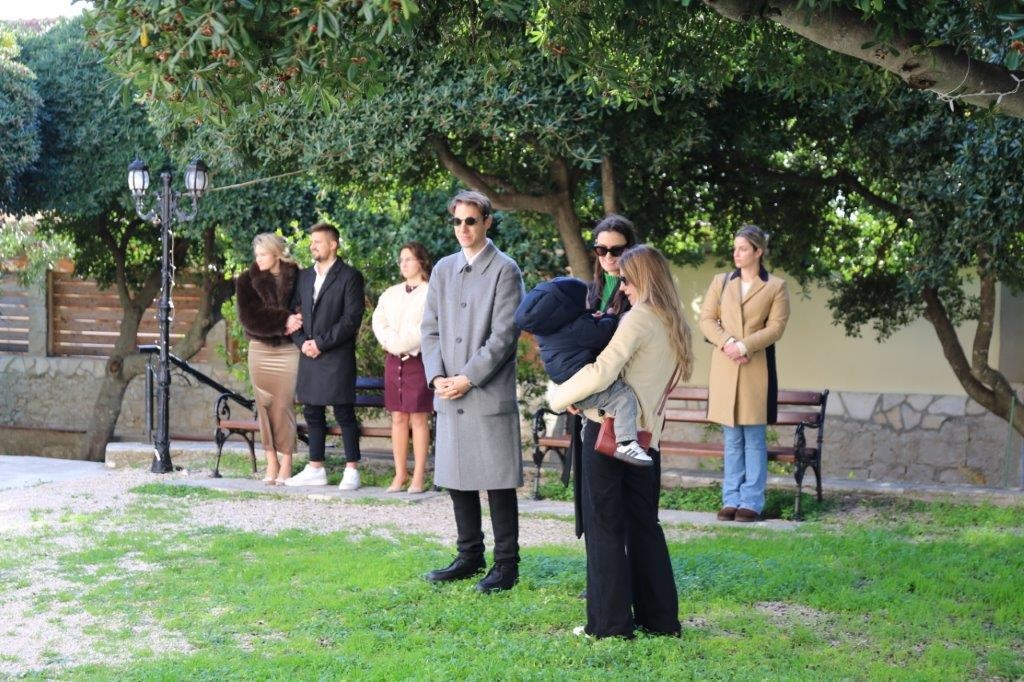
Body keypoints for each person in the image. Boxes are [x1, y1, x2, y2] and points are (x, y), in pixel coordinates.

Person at [549, 244, 694, 639]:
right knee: (644, 525)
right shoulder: (674, 321)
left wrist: (560, 398)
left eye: (627, 279)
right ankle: (660, 620)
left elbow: (602, 371)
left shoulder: (638, 318)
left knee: (604, 526)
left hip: (607, 433)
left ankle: (609, 625)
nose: (622, 287)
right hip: (647, 438)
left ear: (643, 278)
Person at [420, 189, 525, 594]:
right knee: (457, 475)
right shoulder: (443, 269)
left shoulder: (505, 269)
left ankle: (506, 565)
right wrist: (436, 378)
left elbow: (504, 335)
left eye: (470, 221)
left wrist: (467, 377)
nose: (463, 228)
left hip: (485, 390)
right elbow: (429, 329)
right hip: (448, 389)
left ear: (487, 222)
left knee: (498, 480)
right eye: (457, 221)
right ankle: (469, 555)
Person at [699, 225, 790, 523]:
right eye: (735, 248)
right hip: (725, 366)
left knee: (753, 438)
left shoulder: (776, 287)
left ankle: (751, 501)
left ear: (758, 251)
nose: (736, 253)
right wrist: (728, 343)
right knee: (732, 439)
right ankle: (731, 499)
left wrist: (744, 346)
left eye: (743, 249)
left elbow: (776, 328)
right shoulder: (721, 281)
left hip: (755, 368)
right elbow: (706, 319)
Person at [514, 276, 650, 466]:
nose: (588, 304)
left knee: (588, 411)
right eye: (585, 299)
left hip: (570, 387)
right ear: (570, 305)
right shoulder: (576, 327)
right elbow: (602, 334)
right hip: (582, 383)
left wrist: (592, 318)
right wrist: (610, 316)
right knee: (623, 397)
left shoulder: (547, 330)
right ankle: (626, 443)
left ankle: (589, 442)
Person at [284, 223, 366, 490]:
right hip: (308, 352)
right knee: (312, 411)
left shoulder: (350, 276)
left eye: (318, 241)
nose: (313, 246)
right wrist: (302, 343)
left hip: (336, 354)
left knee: (344, 411)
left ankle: (352, 470)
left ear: (333, 244)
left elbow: (351, 319)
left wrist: (320, 343)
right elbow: (292, 314)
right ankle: (315, 468)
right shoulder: (304, 277)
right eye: (312, 242)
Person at [235, 233, 301, 484]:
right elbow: (250, 318)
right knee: (263, 405)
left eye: (263, 254)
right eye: (257, 255)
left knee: (284, 405)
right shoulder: (246, 280)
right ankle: (271, 461)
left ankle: (287, 461)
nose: (259, 259)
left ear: (276, 253)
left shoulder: (298, 276)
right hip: (260, 349)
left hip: (289, 350)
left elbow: (305, 308)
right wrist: (284, 320)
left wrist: (297, 319)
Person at [371, 242, 434, 494]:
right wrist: (391, 342)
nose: (404, 263)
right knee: (397, 417)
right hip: (393, 360)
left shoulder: (431, 292)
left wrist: (400, 343)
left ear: (421, 261)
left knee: (418, 417)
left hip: (417, 361)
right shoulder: (390, 293)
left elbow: (425, 327)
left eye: (409, 259)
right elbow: (379, 322)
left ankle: (418, 476)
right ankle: (400, 474)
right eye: (401, 259)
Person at [587, 213, 638, 315]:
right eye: (601, 249)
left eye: (617, 250)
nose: (608, 256)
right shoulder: (588, 290)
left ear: (630, 249)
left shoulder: (639, 290)